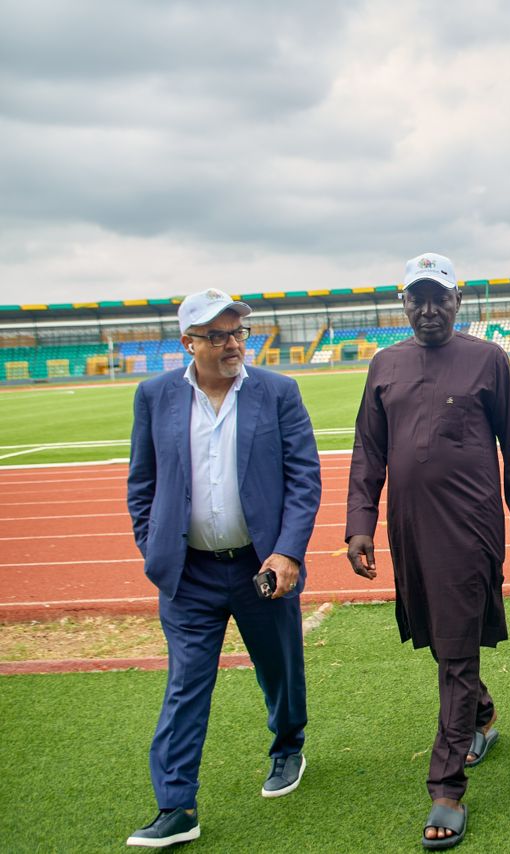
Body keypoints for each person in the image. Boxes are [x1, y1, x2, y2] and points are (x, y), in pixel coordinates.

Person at [345, 252, 510, 850]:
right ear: (403, 303)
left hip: (470, 526)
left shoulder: (489, 359)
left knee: (454, 646)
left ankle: (446, 788)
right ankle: (479, 714)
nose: (428, 309)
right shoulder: (385, 365)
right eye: (416, 298)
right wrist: (360, 525)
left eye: (440, 298)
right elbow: (368, 452)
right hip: (408, 527)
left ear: (459, 301)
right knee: (435, 632)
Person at [125, 288, 322, 848]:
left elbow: (304, 480)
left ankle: (287, 747)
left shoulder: (278, 392)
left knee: (279, 668)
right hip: (188, 575)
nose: (232, 343)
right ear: (188, 342)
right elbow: (142, 484)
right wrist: (154, 546)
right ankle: (176, 805)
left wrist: (286, 552)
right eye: (217, 335)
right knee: (185, 685)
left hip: (261, 567)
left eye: (237, 332)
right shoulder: (154, 395)